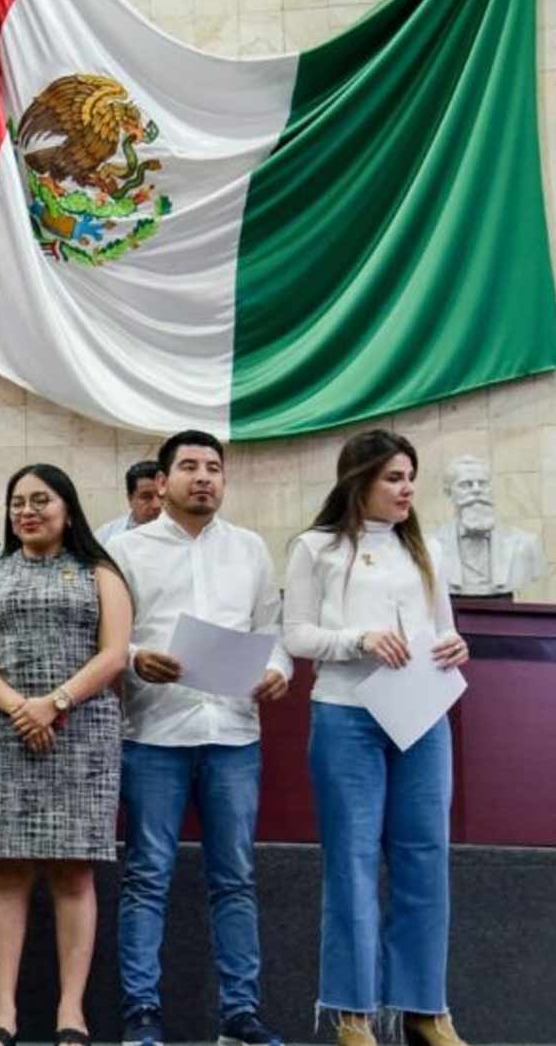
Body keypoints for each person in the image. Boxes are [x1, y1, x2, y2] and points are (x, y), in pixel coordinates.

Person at [284, 430, 470, 1046]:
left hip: (422, 714)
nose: (407, 488)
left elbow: (443, 631)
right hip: (346, 715)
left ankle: (424, 1009)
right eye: (393, 477)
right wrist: (357, 640)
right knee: (353, 861)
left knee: (425, 858)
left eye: (410, 476)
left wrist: (455, 646)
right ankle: (351, 1012)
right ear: (358, 480)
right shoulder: (316, 548)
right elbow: (298, 637)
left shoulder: (429, 551)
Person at [105, 431, 290, 1046]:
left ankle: (241, 1016)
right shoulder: (127, 550)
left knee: (234, 877)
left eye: (213, 467)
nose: (203, 477)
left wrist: (277, 671)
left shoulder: (251, 549)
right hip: (155, 731)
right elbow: (108, 638)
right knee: (147, 875)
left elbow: (273, 629)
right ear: (161, 481)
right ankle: (141, 1016)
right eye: (188, 466)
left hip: (234, 733)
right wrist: (135, 659)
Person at [0, 462, 131, 1046]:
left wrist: (54, 703)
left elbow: (113, 654)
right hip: (4, 732)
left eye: (41, 501)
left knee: (74, 871)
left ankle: (71, 1013)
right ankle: (2, 1012)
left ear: (67, 508)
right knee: (6, 870)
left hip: (81, 732)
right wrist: (19, 708)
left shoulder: (99, 571)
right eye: (17, 503)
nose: (27, 512)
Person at [429, 454, 544, 596]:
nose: (477, 490)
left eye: (483, 484)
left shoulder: (526, 544)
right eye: (466, 485)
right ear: (449, 493)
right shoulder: (431, 547)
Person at [94, 461, 163, 546]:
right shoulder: (105, 537)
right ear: (130, 499)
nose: (157, 505)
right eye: (146, 497)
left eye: (162, 496)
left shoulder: (181, 534)